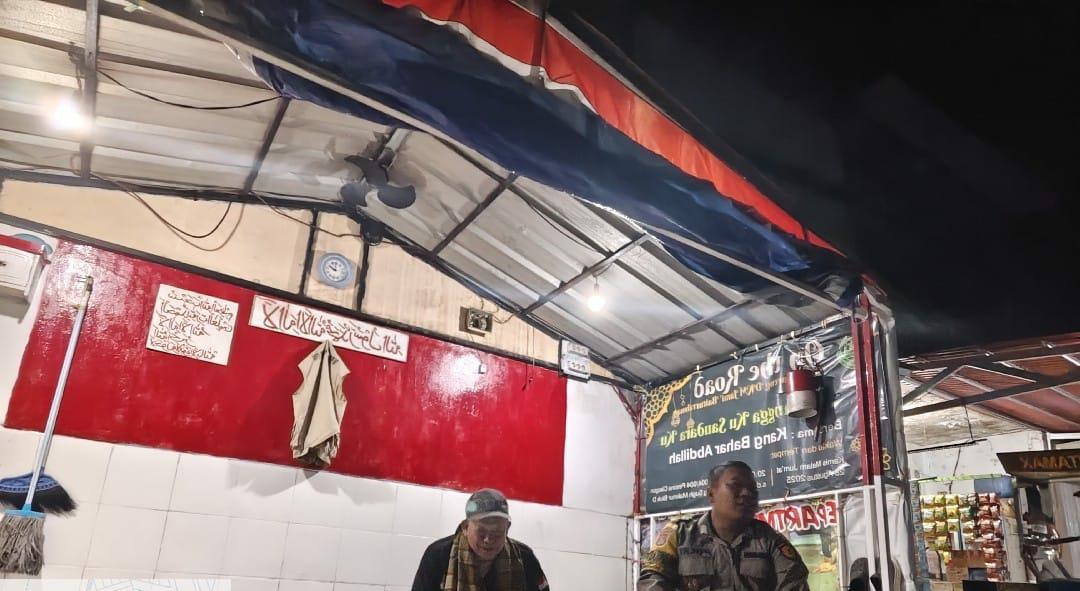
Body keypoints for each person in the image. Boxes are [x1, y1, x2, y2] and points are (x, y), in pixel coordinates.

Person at [638, 461, 810, 591]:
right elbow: (651, 582)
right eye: (735, 486)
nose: (746, 493)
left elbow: (794, 583)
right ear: (711, 494)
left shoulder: (770, 541)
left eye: (753, 489)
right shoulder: (679, 535)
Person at [412, 488, 550, 591]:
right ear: (465, 527)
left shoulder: (524, 558)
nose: (488, 540)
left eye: (496, 533)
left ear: (507, 528)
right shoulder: (438, 556)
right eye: (481, 532)